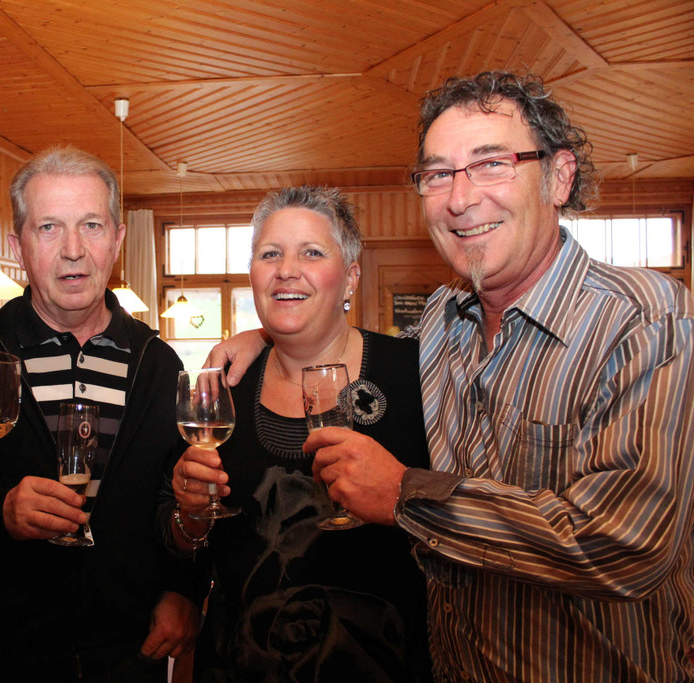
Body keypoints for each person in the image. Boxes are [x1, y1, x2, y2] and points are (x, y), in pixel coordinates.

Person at [212, 71, 694, 681]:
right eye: (438, 174)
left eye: (492, 164)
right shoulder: (444, 322)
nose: (460, 199)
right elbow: (332, 334)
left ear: (559, 176)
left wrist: (405, 494)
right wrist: (269, 335)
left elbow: (625, 546)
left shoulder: (644, 320)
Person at [0, 145, 206, 682]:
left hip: (131, 658)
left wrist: (185, 587)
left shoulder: (158, 365)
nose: (73, 250)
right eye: (49, 227)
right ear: (18, 246)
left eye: (91, 226)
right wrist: (1, 519)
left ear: (117, 240)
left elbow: (184, 499)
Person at [165, 186, 432, 681]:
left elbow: (459, 525)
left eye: (311, 252)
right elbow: (188, 553)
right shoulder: (224, 389)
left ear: (351, 277)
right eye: (270, 254)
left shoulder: (416, 376)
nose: (287, 270)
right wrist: (191, 516)